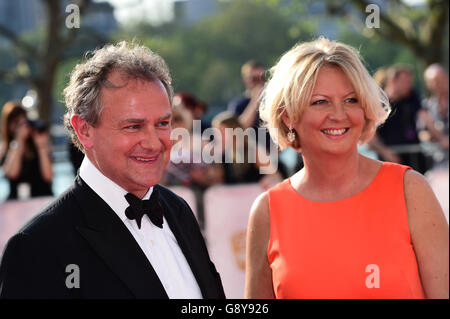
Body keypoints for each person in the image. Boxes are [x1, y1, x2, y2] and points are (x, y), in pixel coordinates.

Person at [0, 42, 225, 299]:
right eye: (133, 126)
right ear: (84, 130)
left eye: (162, 123)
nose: (154, 142)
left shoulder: (179, 210)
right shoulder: (36, 248)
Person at [245, 38, 449, 299]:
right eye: (320, 102)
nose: (339, 114)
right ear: (289, 116)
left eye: (351, 100)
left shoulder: (410, 191)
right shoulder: (267, 211)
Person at [369, 65, 430, 173]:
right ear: (393, 81)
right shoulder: (380, 103)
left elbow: (426, 118)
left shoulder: (412, 97)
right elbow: (371, 135)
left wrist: (442, 138)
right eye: (405, 82)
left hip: (414, 159)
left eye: (410, 82)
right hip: (390, 162)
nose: (409, 85)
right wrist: (386, 152)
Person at [0, 101, 53, 200]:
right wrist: (19, 141)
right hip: (17, 203)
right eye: (16, 122)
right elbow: (12, 173)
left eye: (23, 122)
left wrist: (41, 146)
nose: (21, 127)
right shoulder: (6, 148)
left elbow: (48, 176)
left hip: (42, 199)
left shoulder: (37, 142)